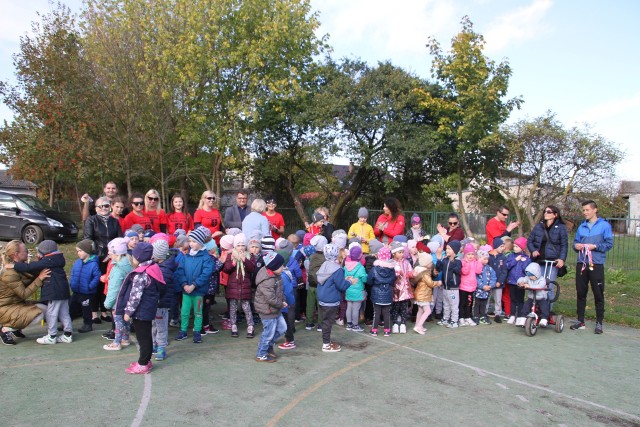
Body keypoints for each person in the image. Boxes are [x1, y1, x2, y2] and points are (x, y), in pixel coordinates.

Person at [117, 242, 166, 374]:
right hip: (148, 309)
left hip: (141, 312)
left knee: (143, 338)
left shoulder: (141, 274)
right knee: (146, 336)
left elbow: (135, 296)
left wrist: (128, 312)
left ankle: (143, 363)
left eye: (133, 256)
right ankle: (146, 360)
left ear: (138, 257)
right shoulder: (153, 268)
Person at [11, 240, 73, 344]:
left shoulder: (48, 260)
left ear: (45, 252)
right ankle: (68, 334)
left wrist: (14, 266)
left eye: (39, 252)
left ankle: (52, 336)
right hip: (63, 292)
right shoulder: (56, 259)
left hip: (54, 293)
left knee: (51, 314)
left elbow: (30, 267)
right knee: (64, 313)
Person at [571, 200, 613, 334]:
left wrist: (595, 246)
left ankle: (599, 323)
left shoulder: (604, 226)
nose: (585, 213)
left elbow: (609, 244)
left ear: (595, 210)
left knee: (598, 293)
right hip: (581, 264)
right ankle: (580, 320)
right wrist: (576, 246)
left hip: (596, 264)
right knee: (581, 292)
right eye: (583, 210)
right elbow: (575, 243)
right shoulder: (581, 226)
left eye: (587, 210)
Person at [0, 241, 50, 345]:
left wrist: (38, 263)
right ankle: (5, 329)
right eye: (25, 251)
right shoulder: (9, 273)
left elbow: (29, 277)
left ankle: (16, 327)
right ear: (16, 254)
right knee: (38, 315)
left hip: (16, 304)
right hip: (5, 308)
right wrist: (40, 278)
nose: (27, 252)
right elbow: (24, 294)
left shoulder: (19, 266)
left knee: (46, 309)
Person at [84, 196, 122, 323]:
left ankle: (105, 311)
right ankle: (94, 313)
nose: (104, 208)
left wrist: (112, 254)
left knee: (109, 283)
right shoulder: (91, 220)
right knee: (97, 284)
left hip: (112, 258)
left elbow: (119, 239)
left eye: (106, 205)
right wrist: (100, 254)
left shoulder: (114, 222)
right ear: (96, 208)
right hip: (97, 258)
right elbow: (88, 239)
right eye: (101, 206)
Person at [174, 226, 215, 343]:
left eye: (194, 241)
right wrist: (184, 284)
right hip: (186, 290)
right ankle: (183, 331)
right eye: (190, 241)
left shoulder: (206, 257)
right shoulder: (186, 256)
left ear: (201, 242)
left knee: (198, 312)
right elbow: (180, 271)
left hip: (198, 292)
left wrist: (194, 285)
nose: (190, 244)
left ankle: (197, 331)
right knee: (184, 312)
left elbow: (206, 274)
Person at [316, 244, 352, 352]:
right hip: (331, 300)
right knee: (328, 322)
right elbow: (341, 286)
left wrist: (344, 279)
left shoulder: (324, 265)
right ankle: (326, 344)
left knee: (325, 321)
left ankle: (327, 341)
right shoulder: (337, 269)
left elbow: (331, 281)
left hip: (322, 298)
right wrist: (349, 281)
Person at [254, 252, 287, 363]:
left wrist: (283, 300)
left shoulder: (276, 275)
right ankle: (261, 354)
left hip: (275, 309)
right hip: (267, 311)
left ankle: (267, 346)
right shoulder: (267, 280)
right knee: (268, 333)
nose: (283, 267)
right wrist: (281, 304)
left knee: (282, 328)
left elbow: (279, 292)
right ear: (274, 267)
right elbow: (270, 299)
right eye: (281, 265)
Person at [223, 233, 257, 338]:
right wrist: (234, 262)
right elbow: (226, 269)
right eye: (238, 245)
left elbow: (252, 268)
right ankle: (233, 325)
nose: (241, 247)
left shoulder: (249, 255)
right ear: (234, 246)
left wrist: (244, 260)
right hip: (233, 286)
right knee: (232, 307)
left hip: (245, 286)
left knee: (246, 307)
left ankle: (250, 326)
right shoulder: (230, 255)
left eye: (243, 245)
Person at [527, 205, 568, 288]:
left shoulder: (561, 227)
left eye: (549, 212)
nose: (545, 213)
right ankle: (538, 301)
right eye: (545, 212)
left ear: (555, 215)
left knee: (549, 286)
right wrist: (533, 250)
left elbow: (564, 245)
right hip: (539, 259)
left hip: (553, 261)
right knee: (538, 285)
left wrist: (562, 259)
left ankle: (549, 301)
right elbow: (530, 241)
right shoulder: (539, 226)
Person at [103, 238, 133, 350]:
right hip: (127, 300)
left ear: (116, 253)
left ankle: (116, 342)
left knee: (118, 322)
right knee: (125, 321)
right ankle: (125, 338)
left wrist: (107, 303)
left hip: (118, 302)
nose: (109, 253)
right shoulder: (129, 264)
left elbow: (114, 289)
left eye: (110, 251)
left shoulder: (117, 269)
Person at [69, 239, 102, 333]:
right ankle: (66, 322)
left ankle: (88, 324)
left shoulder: (94, 264)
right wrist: (72, 283)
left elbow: (96, 277)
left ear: (87, 251)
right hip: (76, 291)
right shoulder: (77, 262)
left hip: (86, 292)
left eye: (80, 251)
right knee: (71, 306)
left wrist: (90, 286)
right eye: (77, 251)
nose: (78, 253)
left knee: (86, 309)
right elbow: (73, 273)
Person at [367, 246, 395, 336]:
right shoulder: (392, 269)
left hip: (377, 292)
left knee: (376, 312)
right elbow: (393, 279)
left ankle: (374, 329)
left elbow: (369, 280)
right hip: (388, 292)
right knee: (387, 313)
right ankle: (387, 330)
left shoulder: (374, 269)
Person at [436, 240, 462, 329]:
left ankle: (454, 320)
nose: (447, 250)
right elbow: (438, 268)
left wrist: (452, 260)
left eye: (449, 249)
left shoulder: (458, 261)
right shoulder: (444, 260)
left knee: (454, 305)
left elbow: (457, 271)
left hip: (453, 288)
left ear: (454, 251)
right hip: (445, 287)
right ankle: (445, 318)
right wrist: (439, 259)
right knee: (446, 304)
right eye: (446, 248)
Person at [504, 237, 531, 326]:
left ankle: (519, 316)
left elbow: (526, 271)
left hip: (521, 283)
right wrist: (515, 260)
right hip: (511, 281)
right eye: (514, 246)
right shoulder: (511, 256)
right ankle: (512, 315)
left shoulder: (526, 258)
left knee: (520, 300)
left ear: (522, 248)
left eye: (517, 246)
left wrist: (523, 262)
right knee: (513, 299)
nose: (515, 248)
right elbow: (507, 266)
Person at [390, 241, 414, 334]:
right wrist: (396, 275)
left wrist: (411, 274)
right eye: (399, 252)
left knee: (404, 306)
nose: (401, 254)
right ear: (394, 253)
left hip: (405, 288)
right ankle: (395, 323)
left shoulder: (406, 262)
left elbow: (409, 271)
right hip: (395, 288)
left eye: (402, 252)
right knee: (396, 307)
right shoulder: (391, 263)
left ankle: (403, 323)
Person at [516, 263, 550, 328]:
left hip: (540, 298)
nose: (530, 277)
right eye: (529, 276)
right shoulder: (528, 278)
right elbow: (523, 279)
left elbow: (540, 286)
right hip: (531, 298)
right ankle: (523, 318)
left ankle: (544, 319)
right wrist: (520, 282)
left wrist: (529, 286)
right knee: (526, 306)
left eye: (531, 276)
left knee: (544, 306)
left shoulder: (542, 280)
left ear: (536, 274)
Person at [412, 252, 438, 334]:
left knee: (420, 310)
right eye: (430, 262)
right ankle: (419, 326)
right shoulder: (425, 273)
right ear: (426, 263)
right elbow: (430, 283)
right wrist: (438, 283)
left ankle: (417, 324)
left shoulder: (419, 271)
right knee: (427, 311)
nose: (431, 264)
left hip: (419, 294)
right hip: (423, 295)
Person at [343, 244, 367, 332]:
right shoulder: (360, 267)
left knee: (349, 307)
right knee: (356, 308)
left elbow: (343, 277)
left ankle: (349, 324)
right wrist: (366, 277)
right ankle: (355, 325)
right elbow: (364, 279)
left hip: (348, 289)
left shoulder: (345, 266)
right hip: (358, 291)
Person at [459, 243, 482, 327]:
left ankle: (467, 316)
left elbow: (478, 271)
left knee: (469, 303)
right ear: (465, 254)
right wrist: (467, 263)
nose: (471, 256)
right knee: (462, 303)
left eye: (472, 254)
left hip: (472, 287)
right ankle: (461, 317)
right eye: (468, 254)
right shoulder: (463, 262)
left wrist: (479, 262)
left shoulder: (475, 262)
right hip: (463, 287)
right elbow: (464, 272)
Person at [473, 249, 497, 325]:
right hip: (478, 290)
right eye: (484, 259)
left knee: (484, 304)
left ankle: (483, 316)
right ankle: (476, 316)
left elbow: (493, 277)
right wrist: (482, 286)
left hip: (486, 291)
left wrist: (490, 285)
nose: (486, 261)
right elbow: (475, 278)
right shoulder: (476, 267)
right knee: (477, 304)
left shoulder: (489, 268)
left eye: (487, 259)